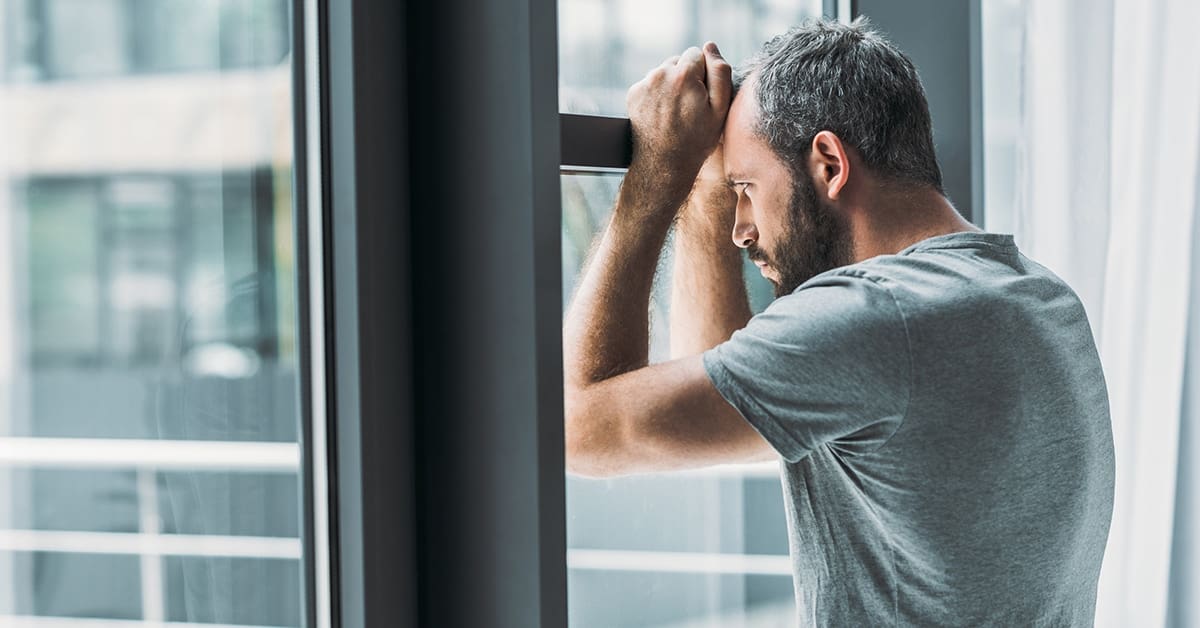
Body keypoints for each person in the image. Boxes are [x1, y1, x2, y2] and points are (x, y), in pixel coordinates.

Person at [561, 17, 1116, 627]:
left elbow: (575, 428)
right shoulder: (1033, 296)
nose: (741, 228)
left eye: (746, 188)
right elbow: (726, 382)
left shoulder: (874, 316)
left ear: (828, 162)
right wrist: (707, 188)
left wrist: (656, 175)